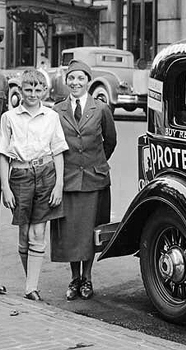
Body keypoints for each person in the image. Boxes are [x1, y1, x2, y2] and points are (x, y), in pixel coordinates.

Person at [51, 60, 117, 301]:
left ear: (88, 81)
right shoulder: (57, 110)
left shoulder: (101, 109)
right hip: (68, 180)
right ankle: (74, 278)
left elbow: (110, 141)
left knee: (91, 231)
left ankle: (87, 278)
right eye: (71, 78)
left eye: (81, 78)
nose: (76, 82)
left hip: (94, 180)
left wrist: (94, 163)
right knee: (71, 232)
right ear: (66, 81)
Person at [0, 69, 68, 301]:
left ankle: (31, 288)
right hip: (20, 175)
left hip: (46, 173)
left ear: (44, 91)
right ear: (20, 90)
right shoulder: (9, 118)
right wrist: (5, 187)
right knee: (24, 234)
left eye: (37, 90)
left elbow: (58, 151)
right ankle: (31, 279)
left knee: (38, 231)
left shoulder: (51, 116)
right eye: (28, 89)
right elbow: (3, 155)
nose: (32, 94)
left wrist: (58, 185)